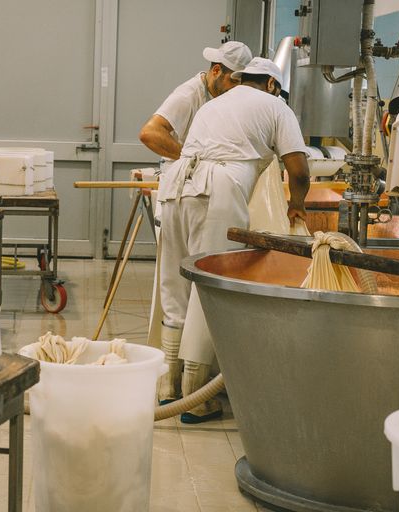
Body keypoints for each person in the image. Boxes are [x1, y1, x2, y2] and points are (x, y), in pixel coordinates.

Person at [158, 57, 311, 423]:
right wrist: (297, 206)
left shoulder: (215, 103)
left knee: (175, 286)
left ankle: (168, 386)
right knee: (209, 285)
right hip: (218, 190)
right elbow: (299, 169)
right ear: (272, 85)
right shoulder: (276, 106)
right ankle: (196, 397)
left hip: (176, 186)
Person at [140, 42, 253, 410]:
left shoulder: (223, 99)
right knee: (185, 289)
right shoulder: (191, 93)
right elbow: (150, 133)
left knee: (179, 291)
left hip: (189, 193)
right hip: (186, 194)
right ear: (217, 72)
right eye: (234, 82)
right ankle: (184, 390)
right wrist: (191, 157)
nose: (236, 92)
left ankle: (176, 388)